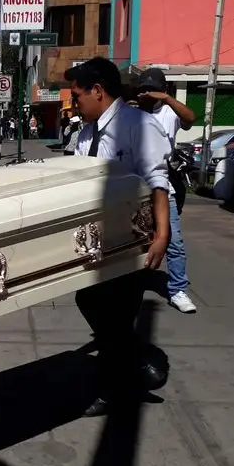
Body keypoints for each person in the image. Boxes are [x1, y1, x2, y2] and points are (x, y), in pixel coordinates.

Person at [66, 57, 171, 418]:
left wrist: (162, 235)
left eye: (78, 95)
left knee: (117, 314)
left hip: (133, 237)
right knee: (90, 301)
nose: (74, 103)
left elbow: (158, 182)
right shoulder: (85, 132)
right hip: (98, 239)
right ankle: (136, 359)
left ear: (98, 90)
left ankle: (114, 391)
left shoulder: (138, 126)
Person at [135, 67, 198, 314]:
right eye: (143, 90)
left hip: (163, 185)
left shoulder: (169, 112)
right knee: (134, 239)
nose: (147, 94)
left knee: (174, 241)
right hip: (134, 187)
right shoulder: (132, 114)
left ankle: (178, 289)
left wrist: (167, 99)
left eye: (151, 89)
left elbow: (191, 118)